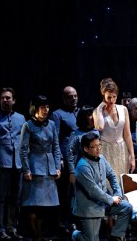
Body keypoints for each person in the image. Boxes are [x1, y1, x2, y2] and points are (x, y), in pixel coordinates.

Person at [71, 132, 133, 241]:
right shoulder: (82, 166)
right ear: (86, 149)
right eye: (94, 147)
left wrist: (117, 194)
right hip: (89, 207)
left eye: (99, 145)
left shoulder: (102, 158)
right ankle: (75, 234)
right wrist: (111, 199)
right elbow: (93, 191)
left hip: (104, 203)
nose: (98, 149)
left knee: (126, 207)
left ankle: (116, 236)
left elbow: (112, 175)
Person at [0, 87, 26, 240]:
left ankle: (12, 227)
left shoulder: (21, 118)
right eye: (2, 98)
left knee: (15, 198)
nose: (5, 100)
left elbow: (24, 141)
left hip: (18, 164)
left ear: (14, 100)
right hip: (1, 163)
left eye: (8, 98)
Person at [20, 95, 61, 240]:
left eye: (47, 107)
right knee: (33, 204)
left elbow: (56, 146)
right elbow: (23, 150)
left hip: (48, 167)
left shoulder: (51, 125)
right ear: (36, 109)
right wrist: (26, 170)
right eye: (43, 107)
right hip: (34, 166)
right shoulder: (28, 125)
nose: (46, 110)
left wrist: (57, 167)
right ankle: (35, 236)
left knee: (45, 206)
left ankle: (40, 234)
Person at [50, 86, 80, 236]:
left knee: (78, 191)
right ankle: (64, 222)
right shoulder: (57, 114)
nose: (73, 98)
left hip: (80, 157)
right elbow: (54, 138)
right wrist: (59, 158)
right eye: (70, 96)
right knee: (66, 192)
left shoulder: (81, 112)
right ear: (64, 98)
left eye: (75, 96)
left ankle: (76, 220)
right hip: (66, 158)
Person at [93, 78, 135, 179]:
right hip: (105, 151)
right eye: (109, 97)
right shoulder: (97, 112)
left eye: (114, 97)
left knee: (122, 181)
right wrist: (99, 108)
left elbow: (127, 134)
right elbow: (99, 126)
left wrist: (132, 156)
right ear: (103, 96)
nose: (112, 100)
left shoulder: (123, 109)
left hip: (121, 150)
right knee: (108, 182)